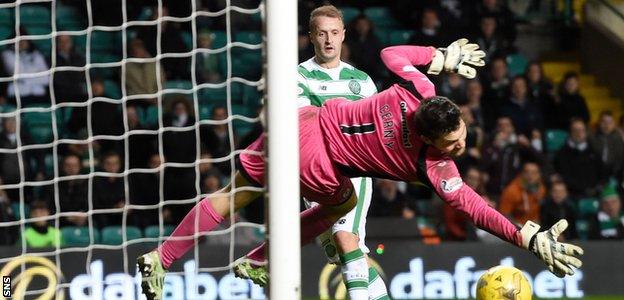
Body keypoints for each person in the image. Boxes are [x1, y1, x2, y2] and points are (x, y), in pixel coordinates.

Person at [137, 40, 583, 300]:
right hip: (321, 161)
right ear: (430, 141)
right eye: (452, 142)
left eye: (462, 132)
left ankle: (163, 258)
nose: (461, 143)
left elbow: (391, 54)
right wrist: (525, 237)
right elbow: (472, 205)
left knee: (235, 195)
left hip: (301, 122)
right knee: (344, 203)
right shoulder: (431, 163)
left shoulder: (419, 88)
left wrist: (439, 55)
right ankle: (259, 260)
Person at [264, 5, 385, 300]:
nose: (329, 40)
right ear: (311, 37)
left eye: (334, 33)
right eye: (322, 34)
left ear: (343, 35)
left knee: (346, 239)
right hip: (316, 175)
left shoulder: (363, 81)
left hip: (354, 172)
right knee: (343, 253)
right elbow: (307, 123)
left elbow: (375, 128)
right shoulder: (297, 75)